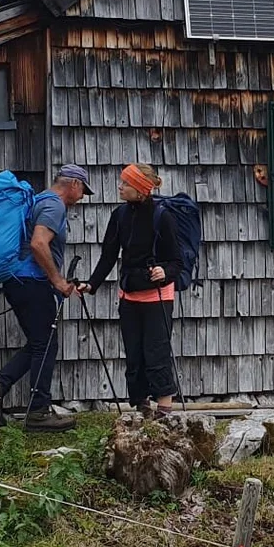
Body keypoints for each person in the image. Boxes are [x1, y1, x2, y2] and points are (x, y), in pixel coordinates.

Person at [0, 164, 89, 432]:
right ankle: (37, 412)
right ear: (73, 184)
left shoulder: (38, 201)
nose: (82, 196)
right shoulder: (54, 206)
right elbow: (38, 243)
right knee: (45, 343)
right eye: (82, 189)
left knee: (41, 343)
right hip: (31, 282)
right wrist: (58, 280)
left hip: (19, 282)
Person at [86, 163, 183, 417]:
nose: (120, 186)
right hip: (129, 295)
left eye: (126, 183)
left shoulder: (163, 217)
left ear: (140, 189)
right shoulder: (119, 215)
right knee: (134, 355)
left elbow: (176, 261)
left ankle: (164, 409)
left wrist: (164, 272)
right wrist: (92, 283)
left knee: (157, 353)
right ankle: (142, 406)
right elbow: (108, 256)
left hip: (157, 297)